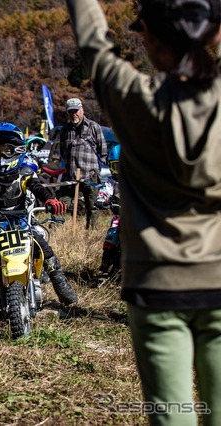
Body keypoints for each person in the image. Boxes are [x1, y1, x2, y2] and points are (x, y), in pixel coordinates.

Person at [65, 0, 221, 423]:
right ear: (215, 35)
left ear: (149, 40)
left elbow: (95, 45)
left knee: (172, 415)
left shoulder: (134, 99)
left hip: (157, 283)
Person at [0, 122, 79, 317]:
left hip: (23, 221)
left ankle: (62, 287)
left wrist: (49, 199)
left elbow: (38, 187)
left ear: (18, 150)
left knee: (43, 248)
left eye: (7, 150)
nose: (1, 156)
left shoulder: (25, 173)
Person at [53, 97, 108, 228]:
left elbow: (103, 151)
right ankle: (53, 231)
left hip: (90, 175)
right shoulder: (65, 130)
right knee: (60, 204)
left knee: (93, 206)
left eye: (76, 110)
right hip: (71, 175)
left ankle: (91, 233)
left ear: (82, 109)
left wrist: (98, 170)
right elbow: (62, 152)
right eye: (71, 111)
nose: (74, 114)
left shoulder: (94, 127)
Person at [96, 144, 121, 280]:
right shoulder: (112, 183)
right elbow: (104, 191)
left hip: (137, 216)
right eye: (117, 166)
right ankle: (105, 267)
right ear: (111, 166)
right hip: (119, 216)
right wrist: (102, 199)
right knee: (111, 237)